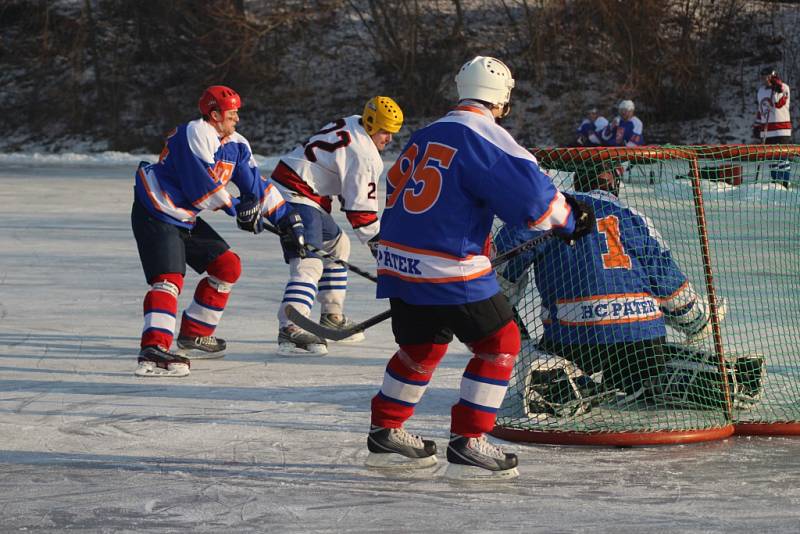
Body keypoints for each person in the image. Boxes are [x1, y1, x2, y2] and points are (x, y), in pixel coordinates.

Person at [365, 56, 594, 480]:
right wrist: (568, 219)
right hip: (448, 269)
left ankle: (386, 430)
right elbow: (533, 200)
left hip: (397, 263)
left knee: (421, 348)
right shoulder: (486, 136)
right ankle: (470, 439)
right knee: (500, 342)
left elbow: (398, 186)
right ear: (502, 100)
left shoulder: (426, 133)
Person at [492, 163, 763, 410]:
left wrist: (500, 308)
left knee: (524, 344)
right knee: (644, 369)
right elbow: (668, 283)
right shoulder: (634, 217)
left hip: (574, 339)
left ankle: (557, 376)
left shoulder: (549, 212)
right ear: (615, 185)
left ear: (577, 182)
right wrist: (696, 321)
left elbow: (501, 276)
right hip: (641, 335)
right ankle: (700, 377)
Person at [131, 85, 305, 377]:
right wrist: (239, 210)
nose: (237, 118)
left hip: (184, 216)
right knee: (168, 280)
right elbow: (202, 189)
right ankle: (154, 348)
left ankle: (195, 334)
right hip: (157, 209)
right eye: (232, 113)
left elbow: (256, 186)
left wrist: (288, 219)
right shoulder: (195, 133)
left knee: (227, 266)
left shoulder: (236, 144)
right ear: (214, 115)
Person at [270, 96, 404, 355]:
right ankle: (290, 328)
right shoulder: (366, 156)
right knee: (309, 261)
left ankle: (331, 314)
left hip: (302, 189)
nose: (389, 139)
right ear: (372, 124)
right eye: (385, 132)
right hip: (295, 194)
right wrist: (381, 248)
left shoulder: (353, 122)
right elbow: (361, 214)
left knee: (337, 244)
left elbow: (345, 181)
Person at [753, 67, 792, 188]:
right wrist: (757, 125)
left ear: (774, 76)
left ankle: (785, 182)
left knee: (782, 156)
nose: (765, 79)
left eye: (768, 76)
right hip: (767, 130)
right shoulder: (761, 91)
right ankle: (776, 182)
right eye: (763, 77)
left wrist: (777, 89)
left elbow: (779, 104)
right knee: (771, 157)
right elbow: (761, 110)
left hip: (781, 129)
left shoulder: (784, 87)